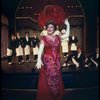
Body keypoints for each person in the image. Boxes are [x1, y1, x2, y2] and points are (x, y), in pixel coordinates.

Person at [35, 19, 70, 100]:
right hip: (48, 62)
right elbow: (40, 49)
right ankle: (50, 96)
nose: (49, 28)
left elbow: (67, 35)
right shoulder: (44, 38)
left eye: (51, 27)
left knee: (57, 78)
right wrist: (38, 59)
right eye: (48, 27)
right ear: (46, 28)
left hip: (57, 62)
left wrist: (68, 25)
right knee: (50, 79)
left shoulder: (58, 37)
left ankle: (56, 95)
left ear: (54, 28)